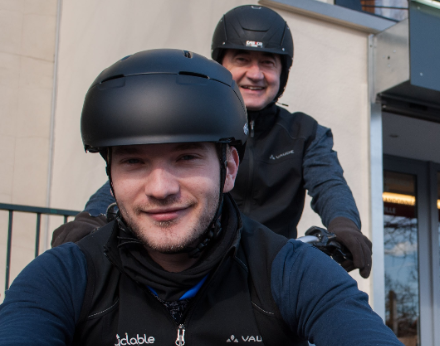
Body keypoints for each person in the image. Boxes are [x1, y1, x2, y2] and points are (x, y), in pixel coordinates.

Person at [0, 50, 440, 346]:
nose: (160, 188)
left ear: (228, 168)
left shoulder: (289, 268)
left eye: (186, 158)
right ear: (111, 177)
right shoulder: (67, 273)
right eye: (134, 162)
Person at [52, 4, 373, 279]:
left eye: (267, 63)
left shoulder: (306, 132)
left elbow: (329, 183)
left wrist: (344, 225)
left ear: (283, 73)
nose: (255, 74)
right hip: (199, 267)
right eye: (242, 60)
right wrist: (91, 217)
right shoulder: (190, 116)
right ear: (221, 67)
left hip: (274, 267)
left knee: (321, 331)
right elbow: (139, 167)